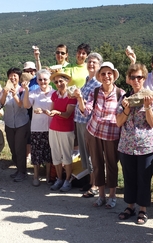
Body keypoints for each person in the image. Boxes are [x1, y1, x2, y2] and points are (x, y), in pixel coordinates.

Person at [75, 61, 125, 208]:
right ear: (99, 76)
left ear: (114, 76)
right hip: (94, 132)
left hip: (112, 134)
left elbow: (122, 114)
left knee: (112, 166)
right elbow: (86, 111)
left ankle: (112, 196)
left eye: (109, 73)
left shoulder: (120, 93)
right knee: (97, 164)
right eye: (103, 74)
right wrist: (79, 99)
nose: (106, 76)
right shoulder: (95, 92)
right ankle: (101, 196)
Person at [116, 63, 153, 225]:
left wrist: (148, 107)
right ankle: (129, 206)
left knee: (144, 178)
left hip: (146, 145)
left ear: (144, 78)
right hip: (127, 145)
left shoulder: (150, 96)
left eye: (140, 77)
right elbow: (118, 123)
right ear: (128, 79)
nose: (136, 80)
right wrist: (126, 110)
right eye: (133, 77)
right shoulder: (124, 98)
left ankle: (143, 209)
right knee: (129, 177)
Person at [126, 51, 153, 200]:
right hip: (145, 118)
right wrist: (133, 60)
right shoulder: (147, 78)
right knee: (152, 155)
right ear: (152, 64)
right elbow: (133, 78)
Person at [71, 52, 102, 196]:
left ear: (99, 66)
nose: (91, 64)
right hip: (80, 121)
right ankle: (90, 181)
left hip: (89, 123)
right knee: (84, 154)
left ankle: (95, 185)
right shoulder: (86, 80)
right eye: (89, 62)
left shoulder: (98, 84)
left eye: (94, 62)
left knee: (92, 154)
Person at [47, 70, 77, 192]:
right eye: (56, 82)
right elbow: (52, 111)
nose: (59, 83)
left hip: (66, 129)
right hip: (53, 128)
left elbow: (68, 114)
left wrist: (56, 113)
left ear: (67, 81)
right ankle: (59, 179)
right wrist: (45, 112)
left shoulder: (72, 96)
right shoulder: (54, 95)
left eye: (61, 81)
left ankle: (67, 180)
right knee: (56, 156)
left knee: (66, 156)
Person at [0, 68, 31, 182]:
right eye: (11, 76)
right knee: (12, 148)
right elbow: (1, 103)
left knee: (20, 148)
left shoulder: (22, 90)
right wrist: (5, 93)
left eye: (15, 76)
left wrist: (14, 95)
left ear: (19, 78)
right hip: (9, 123)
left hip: (21, 123)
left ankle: (23, 172)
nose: (13, 78)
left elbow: (22, 105)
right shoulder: (5, 90)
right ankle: (19, 169)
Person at [25, 69, 54, 186]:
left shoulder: (54, 92)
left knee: (48, 153)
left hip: (51, 127)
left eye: (45, 79)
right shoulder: (34, 92)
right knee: (36, 153)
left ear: (49, 80)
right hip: (36, 127)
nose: (43, 82)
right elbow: (26, 105)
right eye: (40, 79)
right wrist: (26, 91)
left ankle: (48, 176)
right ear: (37, 80)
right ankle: (36, 176)